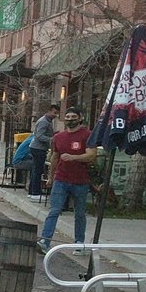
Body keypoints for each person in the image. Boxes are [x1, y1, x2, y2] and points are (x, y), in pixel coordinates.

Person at [37, 107, 97, 253]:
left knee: (80, 213)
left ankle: (79, 243)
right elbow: (54, 157)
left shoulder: (88, 135)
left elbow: (91, 155)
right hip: (61, 179)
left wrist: (73, 157)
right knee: (54, 210)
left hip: (80, 181)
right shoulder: (58, 137)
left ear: (80, 118)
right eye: (68, 116)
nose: (70, 119)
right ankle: (45, 241)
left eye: (73, 116)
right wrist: (50, 177)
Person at [27, 103, 59, 199]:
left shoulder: (47, 121)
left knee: (35, 170)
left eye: (57, 113)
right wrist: (51, 139)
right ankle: (35, 192)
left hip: (38, 148)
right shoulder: (44, 121)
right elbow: (39, 136)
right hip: (38, 148)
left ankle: (32, 191)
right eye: (54, 113)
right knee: (37, 170)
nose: (56, 115)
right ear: (49, 111)